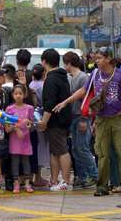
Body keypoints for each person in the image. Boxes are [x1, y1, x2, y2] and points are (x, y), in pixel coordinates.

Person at [54, 46, 121, 197]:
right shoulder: (94, 74)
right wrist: (65, 102)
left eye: (100, 58)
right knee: (102, 153)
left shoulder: (120, 74)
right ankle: (102, 186)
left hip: (118, 119)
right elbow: (82, 91)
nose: (97, 60)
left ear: (109, 59)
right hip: (101, 120)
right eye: (96, 58)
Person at [36, 48, 73, 191]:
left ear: (44, 61)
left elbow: (49, 102)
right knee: (55, 151)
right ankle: (54, 180)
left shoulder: (51, 78)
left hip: (56, 120)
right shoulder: (62, 76)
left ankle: (66, 182)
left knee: (62, 150)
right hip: (62, 119)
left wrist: (44, 121)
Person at [63, 51, 97, 188]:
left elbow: (88, 100)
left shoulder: (83, 78)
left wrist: (84, 119)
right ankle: (82, 177)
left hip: (82, 119)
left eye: (65, 63)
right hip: (75, 119)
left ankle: (94, 176)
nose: (64, 67)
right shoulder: (73, 78)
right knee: (76, 150)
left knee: (82, 149)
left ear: (69, 63)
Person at [4, 84, 34, 194]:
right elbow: (7, 127)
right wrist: (15, 128)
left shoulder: (29, 108)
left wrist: (29, 122)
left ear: (25, 95)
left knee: (26, 162)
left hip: (25, 138)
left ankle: (27, 183)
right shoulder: (9, 109)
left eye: (20, 94)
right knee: (15, 161)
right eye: (16, 94)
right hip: (15, 139)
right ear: (12, 95)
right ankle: (16, 184)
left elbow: (32, 123)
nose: (18, 96)